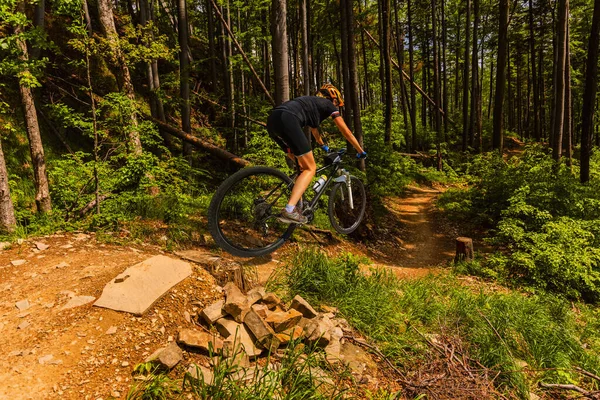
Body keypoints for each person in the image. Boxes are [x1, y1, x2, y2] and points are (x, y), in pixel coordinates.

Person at [266, 83, 367, 224]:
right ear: (333, 99)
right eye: (337, 104)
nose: (336, 107)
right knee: (310, 168)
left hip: (273, 121)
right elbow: (345, 131)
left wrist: (323, 146)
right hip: (289, 120)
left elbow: (314, 131)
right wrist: (360, 151)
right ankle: (289, 210)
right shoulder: (328, 104)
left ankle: (296, 205)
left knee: (302, 167)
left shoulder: (312, 104)